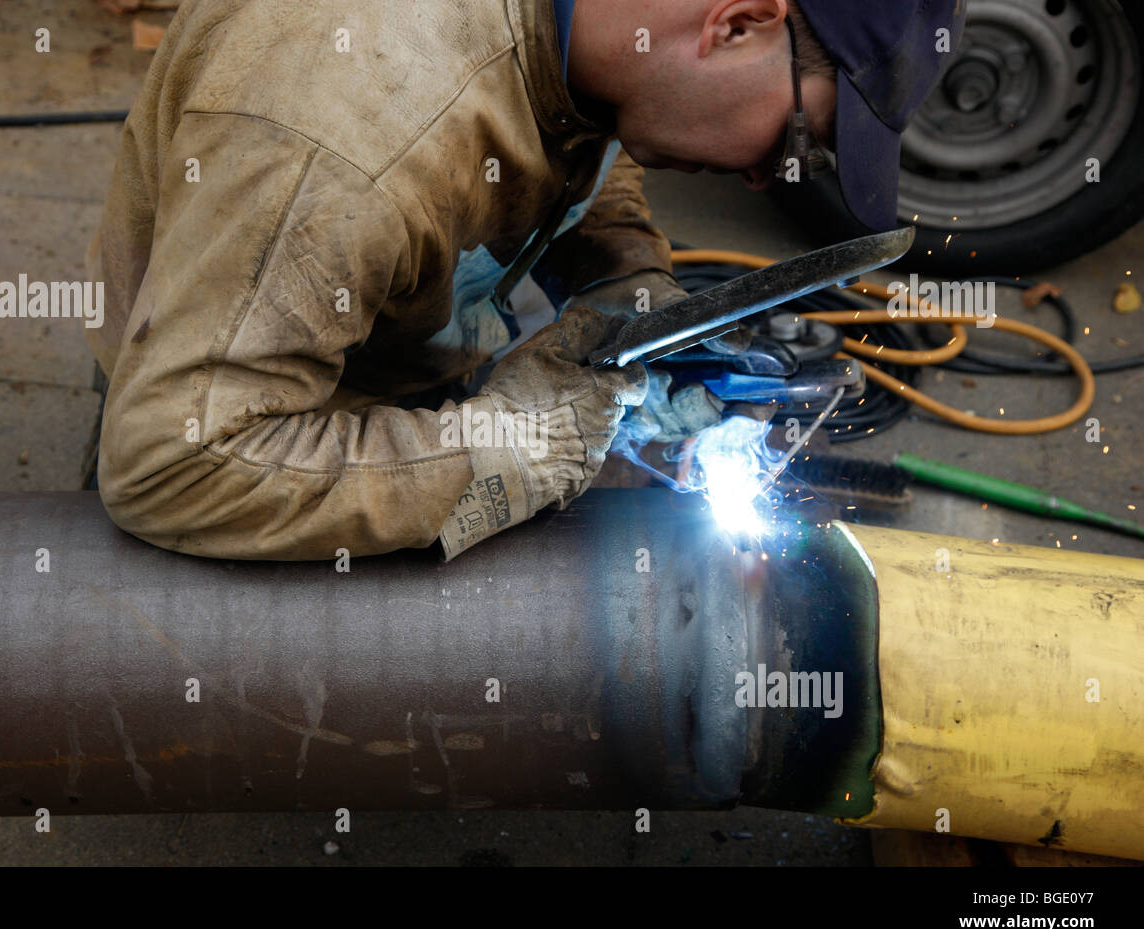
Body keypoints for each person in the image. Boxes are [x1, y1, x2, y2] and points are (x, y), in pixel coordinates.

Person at [85, 0, 965, 560]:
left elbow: (578, 127)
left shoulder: (602, 28)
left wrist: (627, 289)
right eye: (795, 143)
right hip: (259, 435)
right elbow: (174, 464)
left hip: (378, 326)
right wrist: (512, 448)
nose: (764, 178)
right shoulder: (341, 146)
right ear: (736, 23)